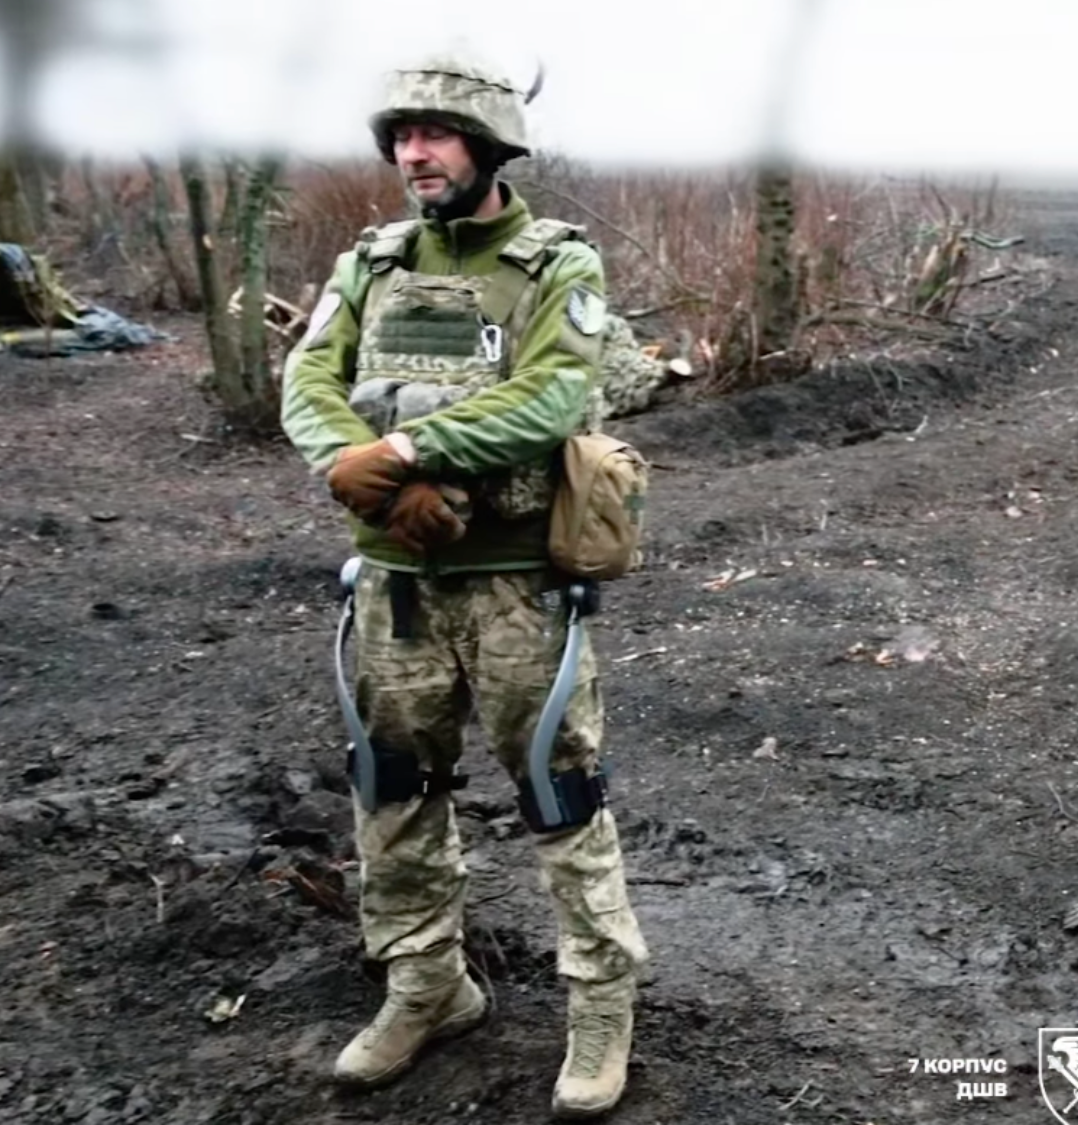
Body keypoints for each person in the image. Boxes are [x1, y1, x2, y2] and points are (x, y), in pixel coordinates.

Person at [279, 52, 648, 1118]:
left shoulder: (555, 265)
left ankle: (599, 1003)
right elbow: (309, 379)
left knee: (558, 791)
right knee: (390, 789)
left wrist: (395, 459)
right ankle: (427, 985)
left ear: (487, 145)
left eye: (434, 135)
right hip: (395, 588)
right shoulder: (373, 262)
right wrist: (365, 484)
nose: (411, 154)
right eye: (400, 136)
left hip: (514, 588)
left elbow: (547, 398)